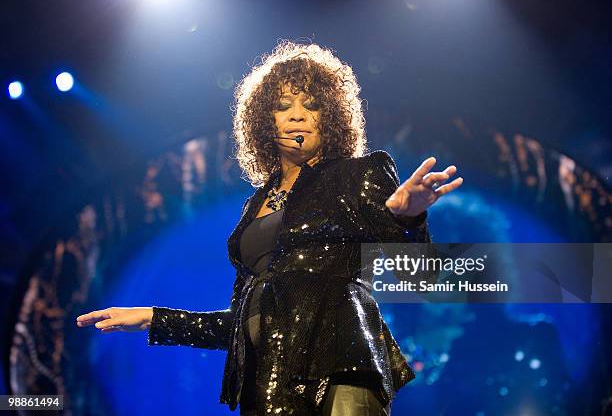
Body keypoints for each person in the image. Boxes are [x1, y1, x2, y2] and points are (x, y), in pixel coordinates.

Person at [76, 41, 463, 415]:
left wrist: (406, 217)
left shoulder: (357, 174)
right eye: (283, 106)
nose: (297, 114)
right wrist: (153, 318)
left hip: (341, 367)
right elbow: (241, 324)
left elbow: (421, 278)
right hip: (265, 383)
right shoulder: (253, 207)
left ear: (330, 120)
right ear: (265, 121)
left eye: (311, 106)